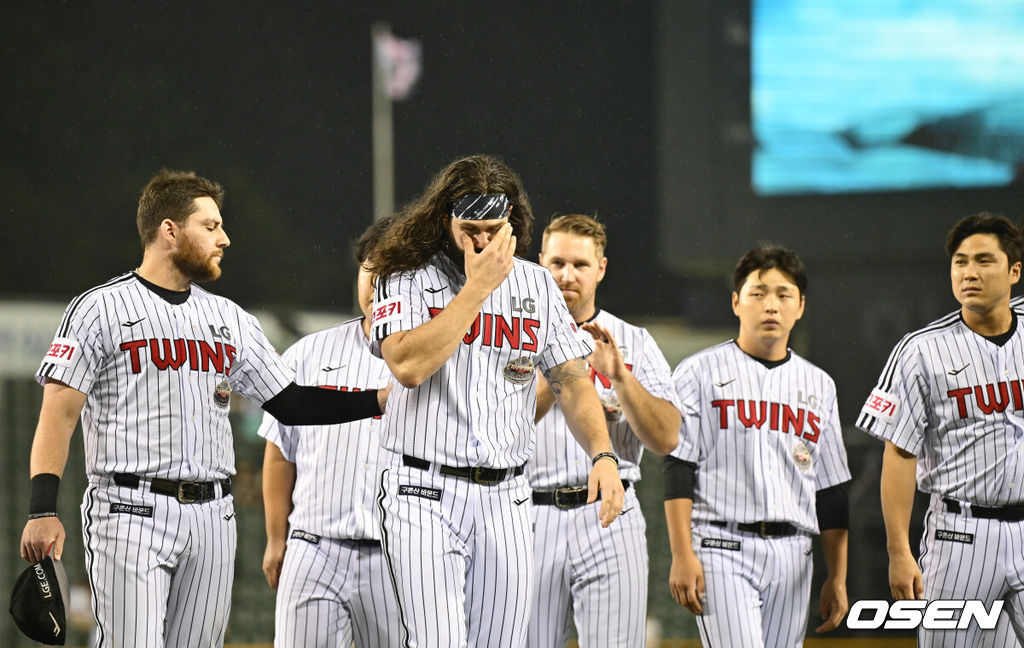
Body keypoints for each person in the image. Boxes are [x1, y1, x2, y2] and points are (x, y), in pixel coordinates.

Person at [20, 169, 387, 648]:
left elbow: (292, 403)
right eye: (210, 226)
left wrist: (378, 399)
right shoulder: (100, 309)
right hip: (130, 508)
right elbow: (59, 412)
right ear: (169, 230)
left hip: (214, 515)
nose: (225, 238)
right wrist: (42, 508)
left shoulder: (229, 318)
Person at [369, 155, 625, 648]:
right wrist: (477, 287)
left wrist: (603, 454)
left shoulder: (535, 284)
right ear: (444, 220)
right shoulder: (404, 273)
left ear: (514, 224)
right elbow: (407, 366)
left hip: (506, 496)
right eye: (470, 229)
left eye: (494, 228)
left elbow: (572, 380)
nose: (483, 242)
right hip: (422, 490)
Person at [664, 244, 851, 647]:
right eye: (758, 293)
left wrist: (837, 576)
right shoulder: (699, 371)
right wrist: (682, 554)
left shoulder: (820, 384)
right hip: (720, 546)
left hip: (794, 554)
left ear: (800, 306)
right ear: (736, 302)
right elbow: (678, 467)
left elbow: (832, 490)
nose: (771, 305)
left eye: (783, 295)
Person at [857, 212, 1024, 647]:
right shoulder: (921, 351)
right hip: (960, 535)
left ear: (1014, 271)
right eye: (960, 261)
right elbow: (899, 454)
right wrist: (899, 550)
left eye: (984, 261)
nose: (969, 272)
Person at [527, 214, 681, 647]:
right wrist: (563, 368)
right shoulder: (515, 337)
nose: (566, 275)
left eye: (579, 264)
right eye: (557, 263)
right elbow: (503, 429)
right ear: (540, 263)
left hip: (611, 515)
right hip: (530, 514)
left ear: (601, 268)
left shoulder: (632, 341)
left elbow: (668, 437)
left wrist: (620, 378)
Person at [259, 215, 400, 647]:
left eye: (394, 275)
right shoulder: (309, 352)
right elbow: (280, 453)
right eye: (371, 272)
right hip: (313, 547)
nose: (378, 287)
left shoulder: (433, 363)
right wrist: (275, 538)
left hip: (396, 556)